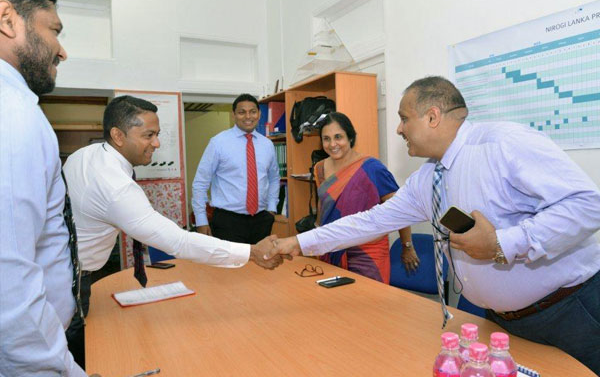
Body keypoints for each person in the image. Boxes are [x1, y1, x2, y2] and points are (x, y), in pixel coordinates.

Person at [267, 76, 600, 374]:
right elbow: (370, 221)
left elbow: (587, 204)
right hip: (501, 323)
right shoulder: (428, 178)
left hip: (570, 311)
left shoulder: (502, 144)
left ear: (432, 116)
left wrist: (503, 243)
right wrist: (296, 243)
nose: (398, 129)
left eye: (403, 118)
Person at [63, 95, 284, 362]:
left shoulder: (85, 155)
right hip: (73, 280)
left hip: (67, 266)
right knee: (77, 351)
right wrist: (252, 252)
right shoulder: (116, 187)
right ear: (118, 136)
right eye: (148, 135)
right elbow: (178, 242)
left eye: (157, 134)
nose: (156, 143)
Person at [0, 0, 90, 375]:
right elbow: (10, 282)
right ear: (7, 19)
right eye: (54, 30)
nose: (62, 50)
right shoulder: (12, 112)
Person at [313, 112, 418, 282]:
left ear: (350, 137)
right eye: (326, 139)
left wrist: (407, 246)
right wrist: (315, 240)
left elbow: (399, 208)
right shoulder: (319, 168)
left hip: (367, 252)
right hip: (331, 247)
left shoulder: (372, 168)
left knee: (368, 297)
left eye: (338, 137)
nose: (332, 144)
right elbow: (323, 205)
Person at [192, 93, 280, 244]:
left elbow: (274, 178)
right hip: (227, 221)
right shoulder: (218, 143)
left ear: (259, 114)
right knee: (231, 260)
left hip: (261, 220)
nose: (248, 116)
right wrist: (201, 220)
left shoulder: (267, 145)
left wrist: (271, 209)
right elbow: (200, 183)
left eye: (253, 112)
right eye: (241, 112)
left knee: (261, 260)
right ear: (233, 115)